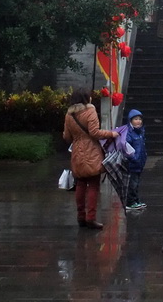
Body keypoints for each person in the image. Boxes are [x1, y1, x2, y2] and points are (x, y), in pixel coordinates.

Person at [62, 88, 119, 230]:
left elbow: (66, 137)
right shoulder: (90, 111)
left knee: (80, 184)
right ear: (86, 99)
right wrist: (111, 134)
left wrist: (77, 138)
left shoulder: (69, 115)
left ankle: (81, 216)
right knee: (93, 184)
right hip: (91, 151)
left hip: (77, 152)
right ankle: (91, 218)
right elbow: (94, 132)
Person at [123, 109, 147, 210]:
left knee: (136, 183)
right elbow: (126, 147)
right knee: (132, 184)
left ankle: (136, 199)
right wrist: (133, 158)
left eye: (140, 119)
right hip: (133, 163)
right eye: (136, 119)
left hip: (139, 163)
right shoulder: (129, 133)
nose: (138, 121)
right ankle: (130, 202)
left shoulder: (140, 132)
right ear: (130, 120)